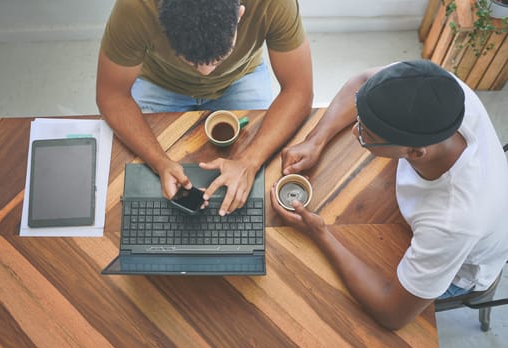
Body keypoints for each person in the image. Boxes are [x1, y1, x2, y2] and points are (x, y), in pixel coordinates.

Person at [272, 59, 508, 330]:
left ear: (415, 152)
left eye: (366, 134)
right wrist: (316, 140)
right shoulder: (443, 90)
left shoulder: (453, 221)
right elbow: (361, 84)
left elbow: (392, 314)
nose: (354, 129)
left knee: (325, 304)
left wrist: (319, 233)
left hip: (459, 271)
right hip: (426, 221)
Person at [96, 0, 313, 216]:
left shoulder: (275, 3)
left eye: (219, 59)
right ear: (162, 22)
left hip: (241, 76)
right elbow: (112, 97)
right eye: (191, 61)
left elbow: (299, 91)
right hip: (160, 81)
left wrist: (250, 162)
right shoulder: (135, 6)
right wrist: (159, 163)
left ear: (239, 14)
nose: (206, 73)